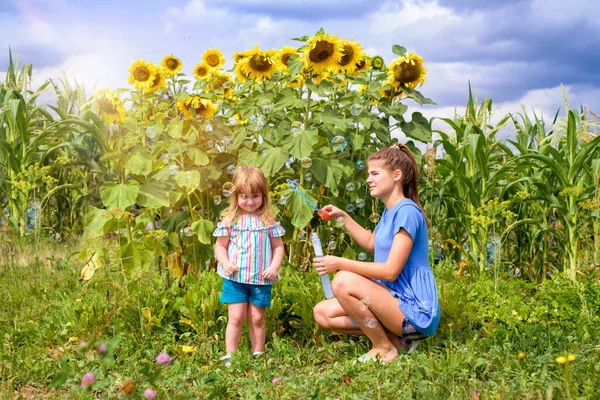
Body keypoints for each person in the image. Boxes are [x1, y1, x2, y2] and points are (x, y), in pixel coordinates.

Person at [313, 144, 440, 363]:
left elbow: (390, 272)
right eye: (368, 174)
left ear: (396, 175)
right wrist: (342, 217)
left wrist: (339, 263)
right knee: (322, 313)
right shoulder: (390, 212)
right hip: (392, 302)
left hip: (414, 310)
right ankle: (393, 341)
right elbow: (373, 243)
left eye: (374, 173)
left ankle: (383, 348)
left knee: (343, 281)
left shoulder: (407, 211)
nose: (368, 179)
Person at [213, 166, 285, 366]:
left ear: (264, 196)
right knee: (235, 318)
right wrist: (225, 263)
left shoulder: (268, 221)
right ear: (235, 196)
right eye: (244, 196)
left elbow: (278, 247)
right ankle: (231, 355)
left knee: (256, 319)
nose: (250, 201)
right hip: (235, 279)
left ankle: (258, 353)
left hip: (261, 279)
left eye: (255, 196)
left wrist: (274, 267)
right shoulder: (230, 220)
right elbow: (220, 246)